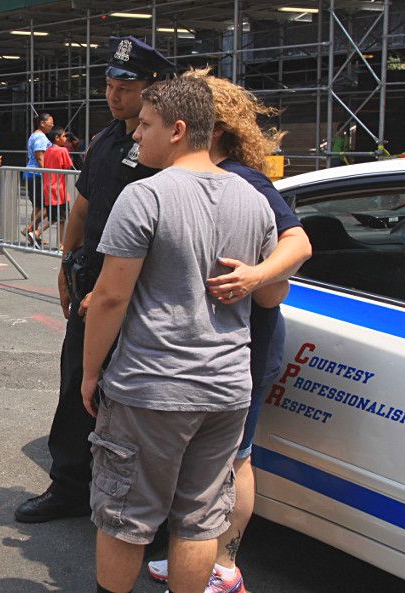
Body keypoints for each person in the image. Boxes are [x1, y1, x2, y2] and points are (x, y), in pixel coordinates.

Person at [81, 75, 286, 593]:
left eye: (144, 126)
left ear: (177, 130)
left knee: (126, 516)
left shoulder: (145, 196)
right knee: (199, 519)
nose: (134, 136)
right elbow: (270, 297)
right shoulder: (254, 200)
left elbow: (109, 297)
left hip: (153, 386)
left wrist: (89, 373)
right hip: (226, 389)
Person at [145, 67, 312, 593]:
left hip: (247, 337)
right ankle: (200, 558)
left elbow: (299, 245)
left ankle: (223, 566)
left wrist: (256, 275)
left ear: (211, 126)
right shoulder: (198, 177)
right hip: (222, 339)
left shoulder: (245, 179)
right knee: (209, 459)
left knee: (234, 454)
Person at [14, 36, 172, 524]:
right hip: (91, 287)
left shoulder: (162, 147)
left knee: (128, 402)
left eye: (125, 85)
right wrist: (65, 269)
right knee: (74, 391)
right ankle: (69, 486)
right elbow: (81, 208)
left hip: (135, 296)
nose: (114, 93)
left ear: (153, 87)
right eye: (108, 84)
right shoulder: (106, 139)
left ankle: (136, 509)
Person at [22, 112, 53, 246]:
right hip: (38, 174)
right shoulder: (40, 137)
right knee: (48, 205)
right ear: (42, 123)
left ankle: (33, 235)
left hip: (32, 173)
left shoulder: (34, 135)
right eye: (50, 122)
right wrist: (48, 173)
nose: (52, 125)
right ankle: (29, 229)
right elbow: (40, 157)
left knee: (38, 206)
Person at [41, 127, 74, 247]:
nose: (66, 138)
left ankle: (37, 232)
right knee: (62, 218)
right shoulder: (62, 150)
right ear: (57, 138)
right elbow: (68, 166)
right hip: (59, 188)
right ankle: (60, 243)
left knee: (54, 216)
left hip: (49, 186)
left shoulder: (48, 150)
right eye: (64, 136)